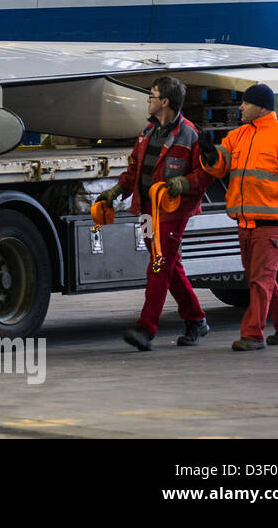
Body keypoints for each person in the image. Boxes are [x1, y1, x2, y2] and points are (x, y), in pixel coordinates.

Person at [98, 76, 213, 350]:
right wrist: (116, 191)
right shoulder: (146, 133)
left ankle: (146, 329)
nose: (147, 100)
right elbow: (134, 171)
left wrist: (184, 183)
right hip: (148, 212)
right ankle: (196, 319)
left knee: (158, 267)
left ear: (165, 102)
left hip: (172, 213)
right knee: (169, 267)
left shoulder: (189, 135)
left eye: (152, 95)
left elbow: (206, 173)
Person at [200, 83, 278, 351]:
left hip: (270, 224)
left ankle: (253, 335)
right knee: (259, 279)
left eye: (246, 103)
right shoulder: (237, 136)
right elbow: (219, 167)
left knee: (260, 281)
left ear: (262, 107)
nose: (240, 107)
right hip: (245, 222)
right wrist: (208, 152)